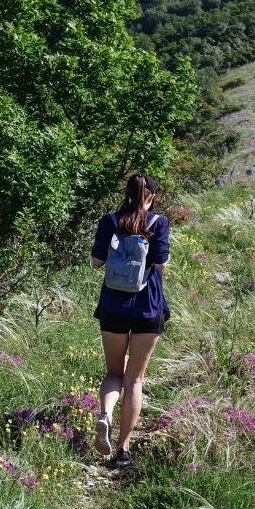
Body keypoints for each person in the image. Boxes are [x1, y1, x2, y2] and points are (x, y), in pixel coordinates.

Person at [90, 172, 170, 467]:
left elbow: (97, 262)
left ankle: (105, 415)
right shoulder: (158, 223)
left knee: (113, 373)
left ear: (127, 193)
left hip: (113, 306)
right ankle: (123, 450)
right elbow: (161, 263)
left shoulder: (109, 221)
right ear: (151, 195)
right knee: (134, 380)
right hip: (147, 308)